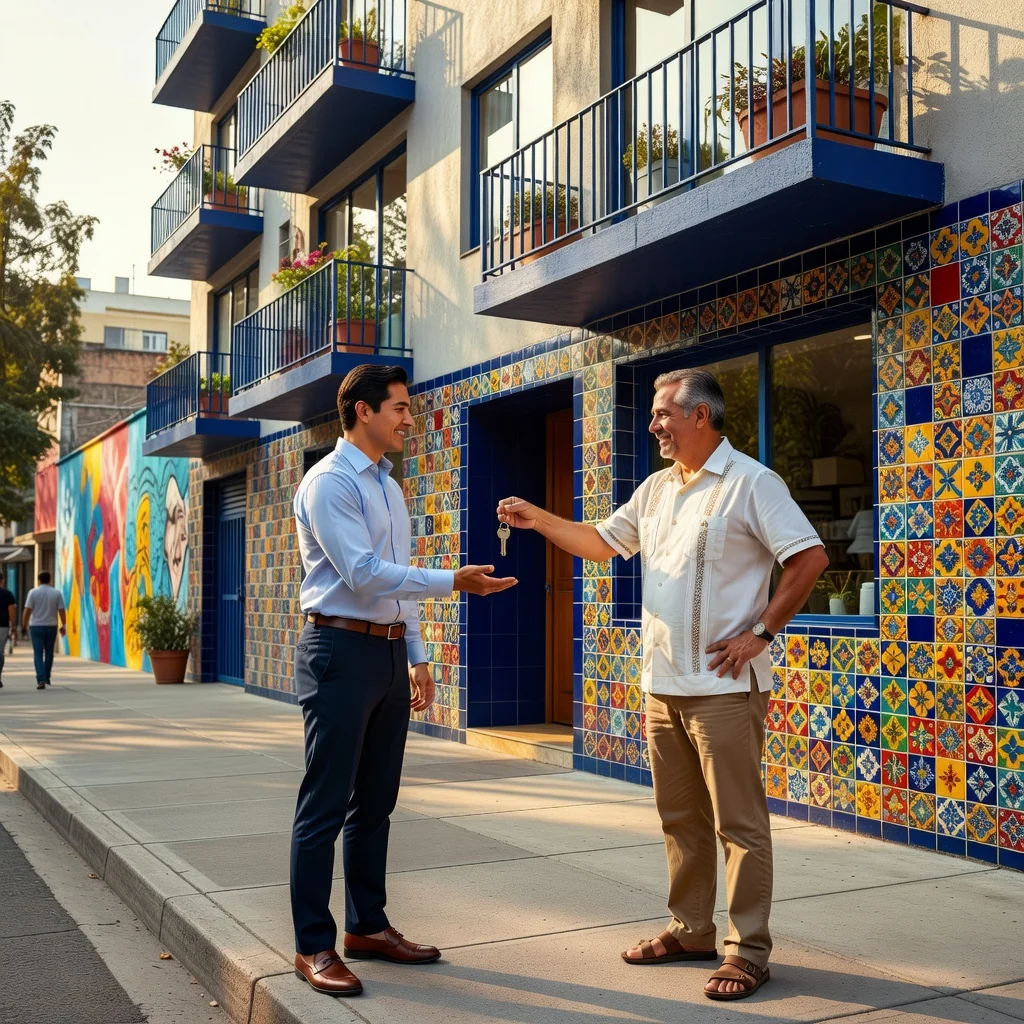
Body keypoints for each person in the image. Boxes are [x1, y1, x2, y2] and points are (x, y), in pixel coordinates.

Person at [497, 369, 827, 1001]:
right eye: (653, 416)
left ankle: (748, 949)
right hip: (661, 684)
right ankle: (691, 929)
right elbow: (599, 543)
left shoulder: (752, 483)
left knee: (740, 824)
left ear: (700, 417)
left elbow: (808, 556)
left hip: (725, 687)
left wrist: (762, 629)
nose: (654, 426)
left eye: (663, 415)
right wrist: (537, 518)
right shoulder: (654, 490)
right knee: (680, 819)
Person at [291, 364, 517, 998]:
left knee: (376, 804)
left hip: (387, 655)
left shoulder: (389, 486)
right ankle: (313, 944)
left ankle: (367, 925)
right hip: (338, 649)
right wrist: (455, 582)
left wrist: (416, 653)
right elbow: (364, 574)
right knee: (325, 805)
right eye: (399, 408)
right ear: (363, 411)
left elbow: (397, 577)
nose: (409, 418)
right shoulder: (330, 483)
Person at [22, 572, 67, 690]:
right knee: (49, 653)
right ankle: (47, 676)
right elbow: (62, 610)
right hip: (51, 626)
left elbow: (27, 610)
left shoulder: (33, 592)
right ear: (50, 579)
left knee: (38, 653)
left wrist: (23, 625)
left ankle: (40, 679)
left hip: (36, 626)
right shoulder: (56, 593)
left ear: (38, 580)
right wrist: (64, 625)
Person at [0, 582, 16, 688]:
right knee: (0, 652)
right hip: (2, 626)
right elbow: (11, 610)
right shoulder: (7, 594)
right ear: (2, 580)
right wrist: (13, 625)